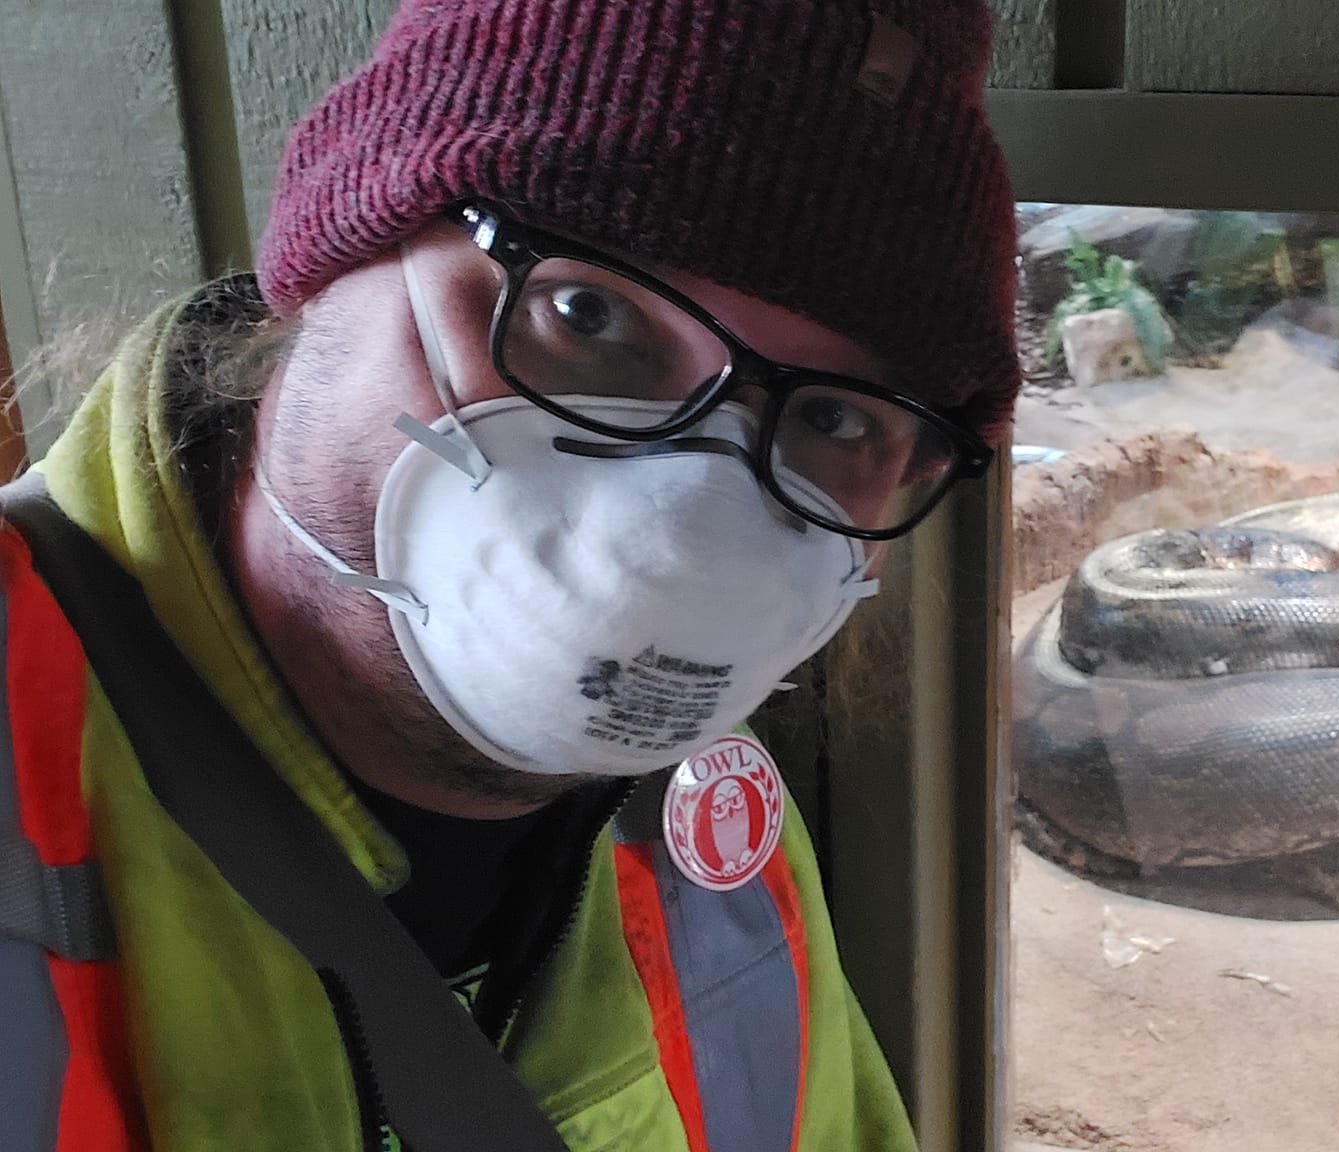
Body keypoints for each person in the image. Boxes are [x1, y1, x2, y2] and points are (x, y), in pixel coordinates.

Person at [0, 0, 1017, 1148]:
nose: (680, 525)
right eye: (586, 314)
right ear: (342, 256)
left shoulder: (714, 835)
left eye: (832, 418)